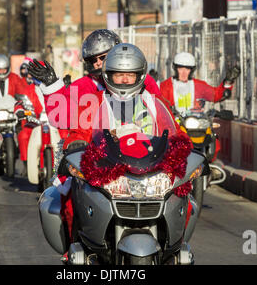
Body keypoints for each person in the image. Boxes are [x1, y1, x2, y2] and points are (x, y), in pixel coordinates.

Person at [54, 43, 187, 250]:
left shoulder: (154, 102)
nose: (124, 80)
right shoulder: (93, 102)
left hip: (151, 172)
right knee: (72, 200)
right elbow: (78, 131)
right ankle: (75, 248)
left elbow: (174, 130)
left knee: (183, 200)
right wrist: (75, 143)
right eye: (118, 75)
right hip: (106, 172)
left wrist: (184, 146)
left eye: (130, 75)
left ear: (140, 75)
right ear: (107, 75)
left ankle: (176, 248)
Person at [27, 29, 162, 131]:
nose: (97, 63)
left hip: (142, 146)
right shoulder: (82, 85)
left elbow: (161, 117)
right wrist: (52, 87)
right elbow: (61, 119)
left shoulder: (142, 80)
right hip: (98, 152)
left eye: (103, 58)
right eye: (92, 60)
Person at [159, 52, 240, 115]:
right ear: (175, 69)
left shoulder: (198, 85)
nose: (183, 72)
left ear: (192, 70)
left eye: (187, 69)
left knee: (210, 135)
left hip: (196, 123)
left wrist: (228, 81)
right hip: (174, 126)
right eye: (180, 68)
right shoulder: (166, 86)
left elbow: (216, 95)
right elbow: (159, 107)